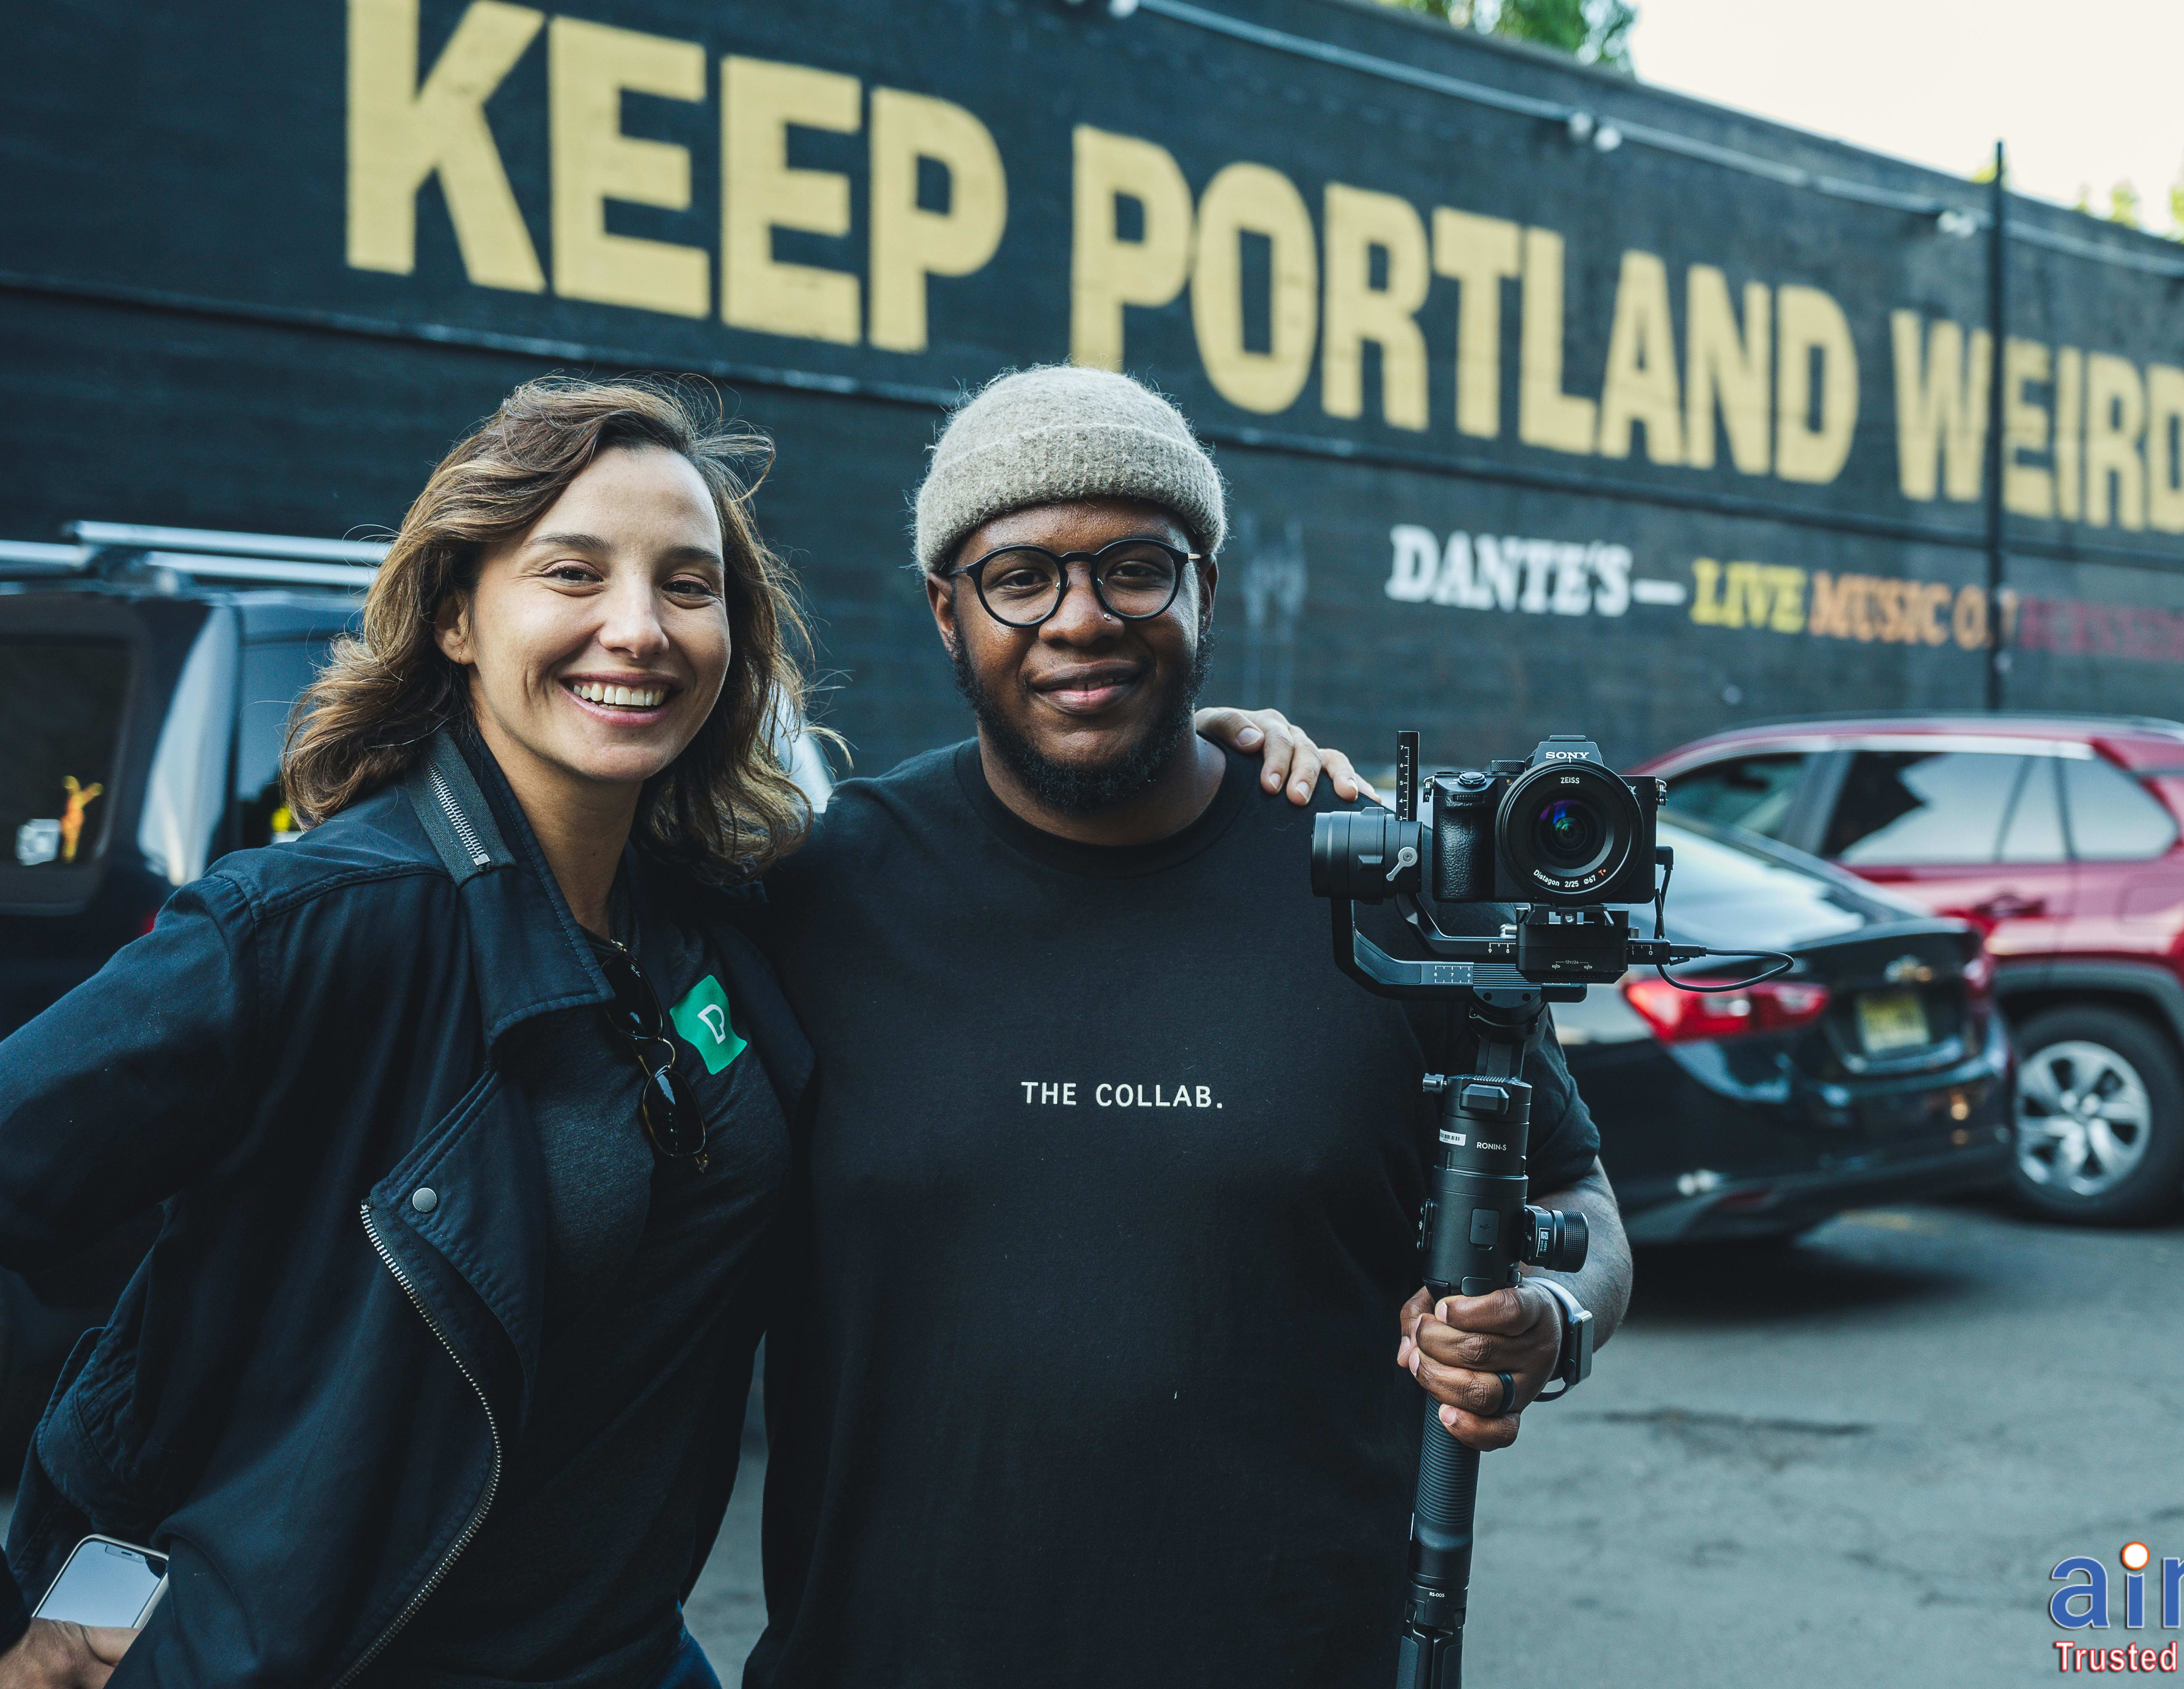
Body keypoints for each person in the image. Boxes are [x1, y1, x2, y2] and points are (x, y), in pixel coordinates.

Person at [0, 375, 1348, 1689]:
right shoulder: (320, 923)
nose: (636, 627)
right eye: (573, 574)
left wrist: (1208, 762)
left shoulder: (716, 915)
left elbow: (1062, 848)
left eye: (687, 584)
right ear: (460, 615)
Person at [746, 365, 1634, 1688]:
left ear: (1205, 590)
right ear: (948, 612)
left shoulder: (1381, 898)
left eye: (1136, 569)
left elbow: (1581, 1195)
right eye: (1022, 577)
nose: (1081, 619)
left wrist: (1550, 1319)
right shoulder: (821, 895)